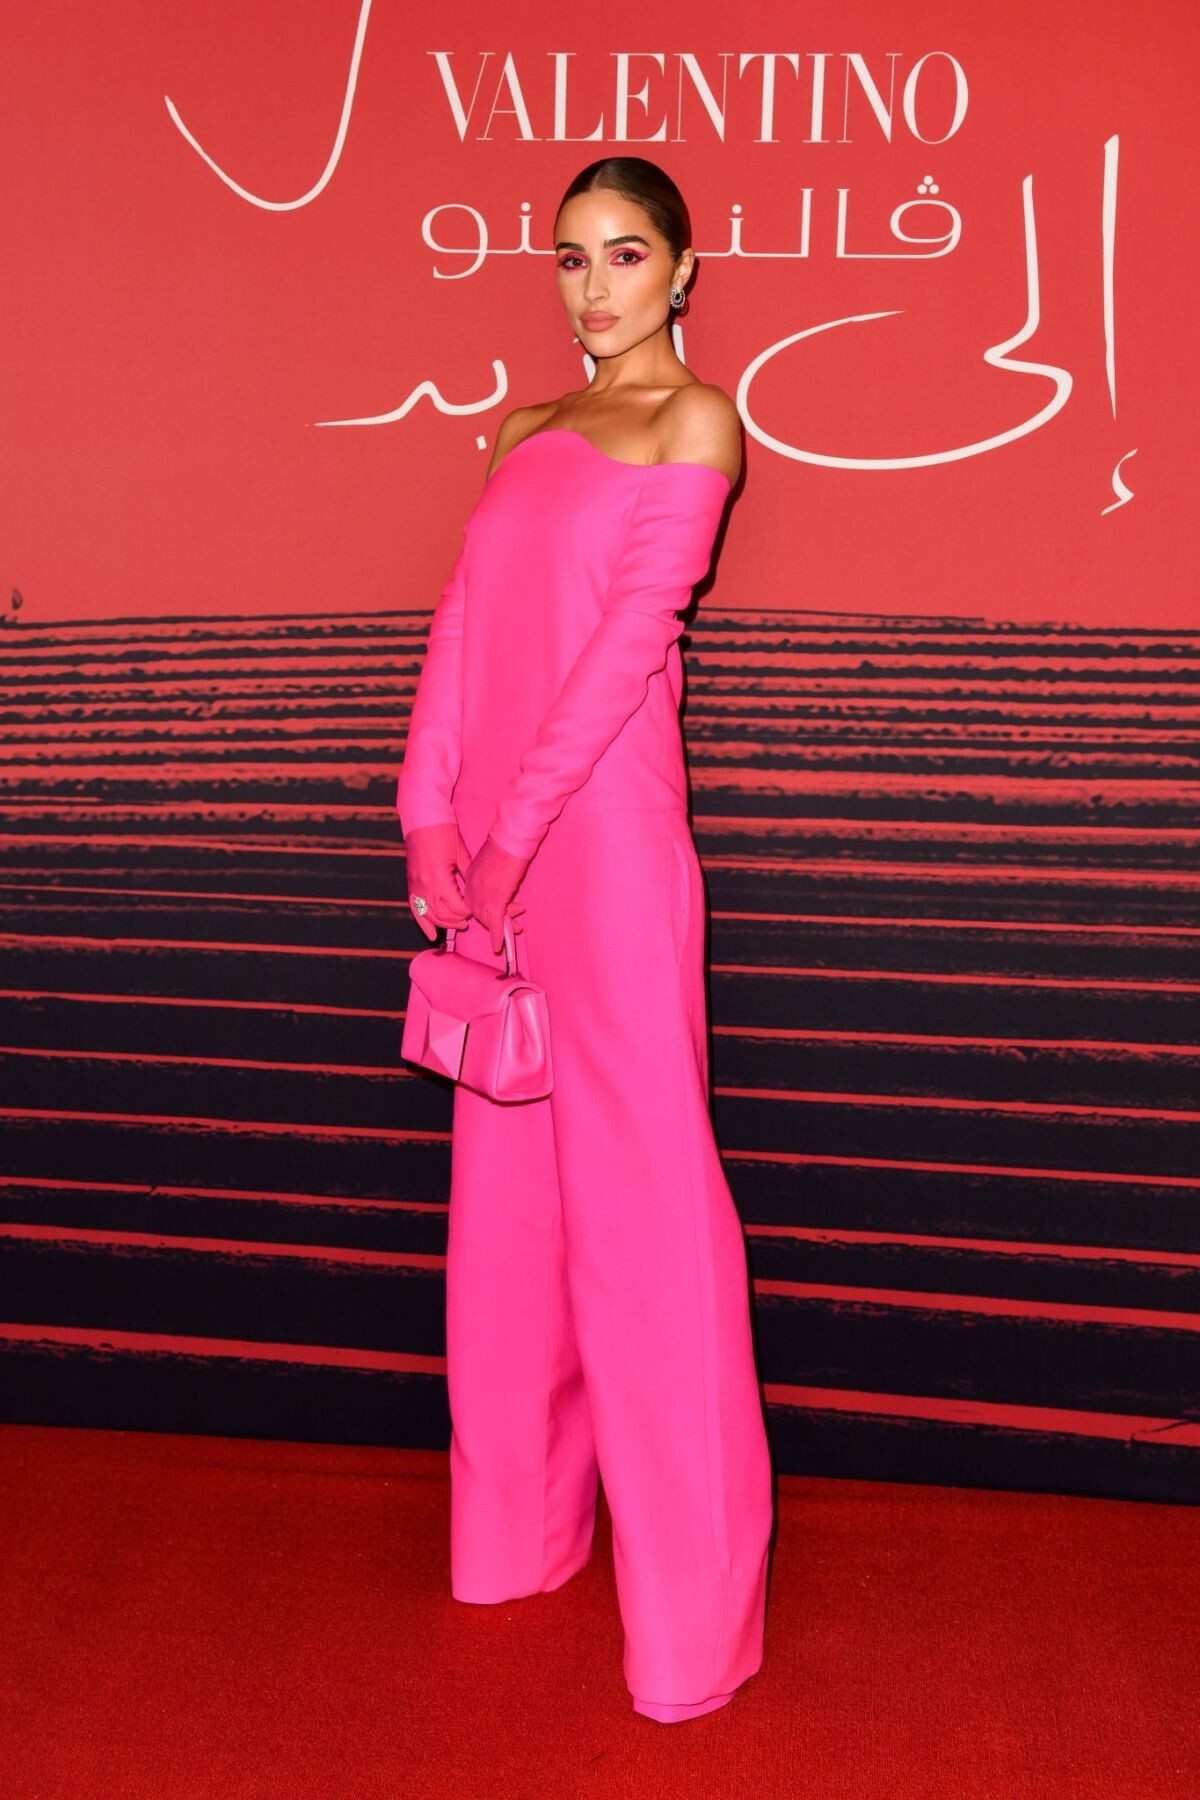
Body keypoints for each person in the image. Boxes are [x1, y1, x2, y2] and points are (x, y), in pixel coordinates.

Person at [396, 156, 774, 1724]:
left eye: (625, 254)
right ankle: (518, 1537)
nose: (595, 284)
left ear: (682, 271)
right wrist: (427, 811)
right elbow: (462, 625)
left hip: (604, 857)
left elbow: (625, 656)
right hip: (489, 861)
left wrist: (508, 838)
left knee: (647, 1223)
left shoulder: (697, 423)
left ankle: (693, 1624)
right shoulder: (521, 428)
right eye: (571, 257)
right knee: (507, 1221)